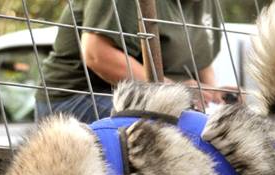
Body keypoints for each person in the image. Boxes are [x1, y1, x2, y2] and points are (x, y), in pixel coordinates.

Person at [37, 0, 228, 123]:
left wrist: (215, 97)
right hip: (78, 96)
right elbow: (96, 54)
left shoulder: (207, 4)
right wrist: (177, 91)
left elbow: (202, 61)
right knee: (179, 131)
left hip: (157, 96)